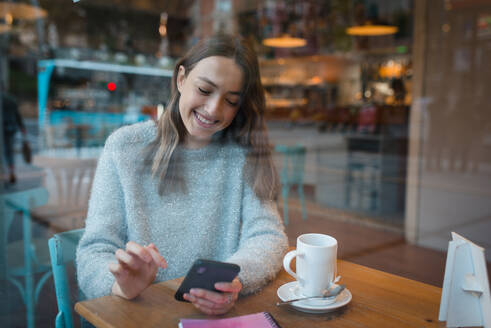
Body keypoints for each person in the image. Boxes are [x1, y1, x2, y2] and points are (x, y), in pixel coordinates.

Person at [76, 34, 289, 316]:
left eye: (231, 100)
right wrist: (119, 286)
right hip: (139, 316)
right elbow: (94, 250)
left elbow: (268, 236)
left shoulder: (242, 155)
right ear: (181, 79)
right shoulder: (124, 147)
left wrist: (235, 281)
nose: (213, 109)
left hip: (213, 319)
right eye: (204, 89)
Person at [2, 91, 27, 184]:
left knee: (5, 151)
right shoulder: (11, 99)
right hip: (10, 128)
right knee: (9, 151)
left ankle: (4, 171)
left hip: (3, 128)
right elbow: (17, 115)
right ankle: (11, 171)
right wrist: (22, 128)